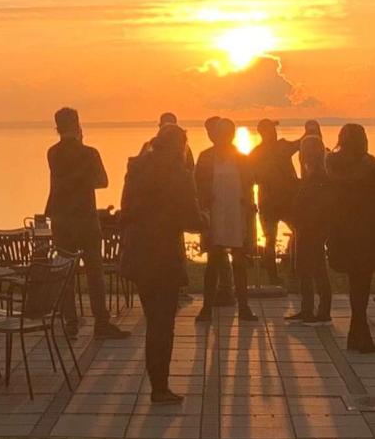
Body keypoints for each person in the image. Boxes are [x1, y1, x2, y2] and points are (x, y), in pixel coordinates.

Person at [120, 124, 204, 403]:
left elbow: (126, 210)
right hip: (164, 256)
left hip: (139, 253)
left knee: (153, 319)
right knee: (163, 323)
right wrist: (205, 219)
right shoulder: (180, 175)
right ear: (180, 147)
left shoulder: (135, 169)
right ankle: (160, 387)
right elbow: (191, 220)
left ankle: (158, 383)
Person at [45, 107, 129, 339]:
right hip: (85, 218)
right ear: (77, 125)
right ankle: (101, 321)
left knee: (66, 271)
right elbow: (103, 181)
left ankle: (70, 321)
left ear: (57, 127)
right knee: (94, 271)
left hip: (62, 219)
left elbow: (61, 180)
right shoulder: (89, 153)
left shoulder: (53, 153)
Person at [327, 124, 375, 353]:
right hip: (367, 228)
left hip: (342, 228)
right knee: (362, 281)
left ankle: (357, 331)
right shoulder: (372, 167)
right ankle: (361, 330)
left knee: (355, 280)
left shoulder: (331, 164)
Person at [194, 118, 257, 322]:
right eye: (219, 133)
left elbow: (249, 185)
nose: (220, 137)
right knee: (213, 262)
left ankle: (244, 307)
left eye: (225, 133)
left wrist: (248, 212)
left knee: (239, 262)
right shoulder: (205, 157)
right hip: (214, 214)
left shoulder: (241, 158)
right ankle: (207, 308)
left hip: (236, 214)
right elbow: (197, 185)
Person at [248, 118, 302, 284]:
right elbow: (301, 143)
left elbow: (251, 178)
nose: (274, 133)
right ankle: (285, 272)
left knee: (275, 238)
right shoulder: (280, 147)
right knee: (287, 235)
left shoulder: (256, 153)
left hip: (271, 202)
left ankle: (285, 271)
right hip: (280, 201)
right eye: (272, 130)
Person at [286, 135, 333, 324]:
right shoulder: (311, 174)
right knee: (308, 268)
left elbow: (317, 204)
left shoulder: (319, 176)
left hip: (312, 227)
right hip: (306, 227)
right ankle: (308, 308)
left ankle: (321, 310)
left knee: (315, 268)